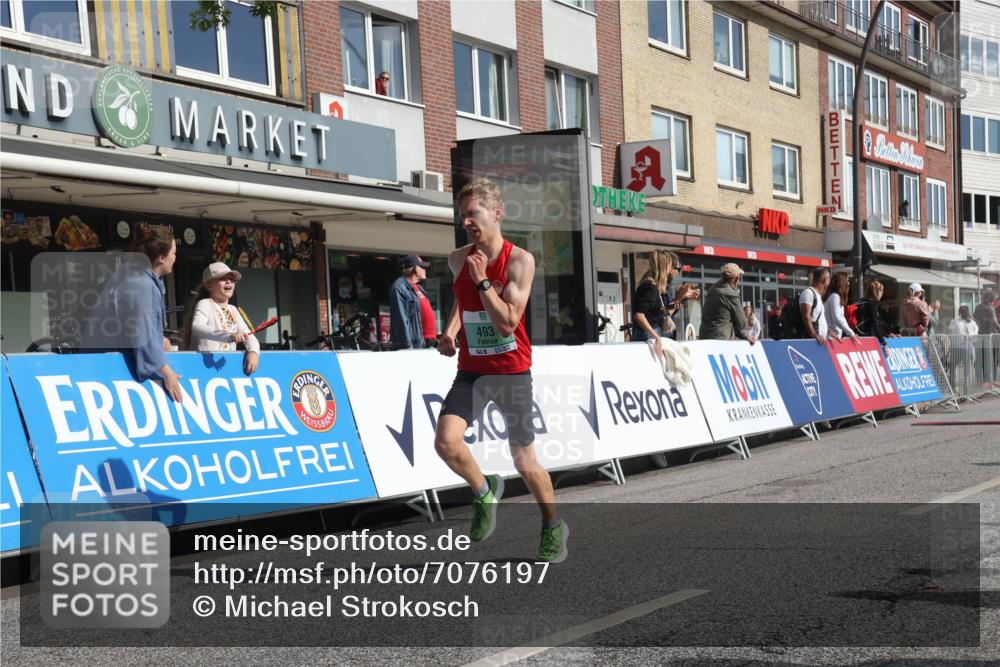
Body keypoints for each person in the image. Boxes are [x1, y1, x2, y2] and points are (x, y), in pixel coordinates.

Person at [434, 178, 566, 562]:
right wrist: (450, 332)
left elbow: (508, 321)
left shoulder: (520, 261)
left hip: (510, 371)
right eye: (463, 217)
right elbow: (465, 300)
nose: (467, 223)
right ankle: (483, 491)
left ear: (497, 212)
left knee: (524, 462)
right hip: (473, 369)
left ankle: (553, 525)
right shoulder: (458, 259)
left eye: (473, 214)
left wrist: (483, 280)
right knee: (446, 442)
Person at [81, 224, 183, 402]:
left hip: (99, 365)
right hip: (108, 372)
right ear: (161, 257)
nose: (175, 257)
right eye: (173, 253)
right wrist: (168, 374)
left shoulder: (131, 276)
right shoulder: (141, 284)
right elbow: (143, 335)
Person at [181, 262, 260, 375]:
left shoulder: (233, 310)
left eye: (232, 279)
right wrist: (228, 336)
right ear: (209, 285)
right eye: (223, 278)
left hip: (227, 370)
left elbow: (249, 336)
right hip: (201, 370)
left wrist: (253, 352)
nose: (229, 282)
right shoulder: (205, 303)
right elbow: (197, 327)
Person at [631, 249, 698, 357]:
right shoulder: (650, 287)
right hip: (647, 336)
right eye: (671, 266)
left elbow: (658, 314)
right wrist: (656, 337)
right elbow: (639, 315)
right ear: (665, 267)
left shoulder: (655, 287)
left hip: (652, 334)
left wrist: (681, 297)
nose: (671, 270)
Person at [699, 263, 755, 344]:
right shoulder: (731, 294)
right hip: (721, 341)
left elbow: (723, 320)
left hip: (704, 338)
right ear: (736, 279)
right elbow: (742, 323)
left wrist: (746, 336)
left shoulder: (712, 289)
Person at [389, 254, 437, 349]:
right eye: (422, 267)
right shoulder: (399, 288)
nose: (425, 270)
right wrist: (407, 346)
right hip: (416, 345)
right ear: (416, 269)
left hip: (428, 343)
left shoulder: (419, 288)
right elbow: (401, 319)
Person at [948, 305, 979, 392]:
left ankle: (965, 389)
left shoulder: (971, 323)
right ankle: (956, 387)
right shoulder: (955, 322)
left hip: (965, 347)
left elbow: (975, 335)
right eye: (963, 311)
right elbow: (950, 334)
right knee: (955, 367)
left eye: (965, 311)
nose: (965, 313)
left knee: (966, 368)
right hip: (958, 347)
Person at [799, 267, 833, 345]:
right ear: (825, 280)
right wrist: (814, 334)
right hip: (813, 342)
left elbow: (818, 318)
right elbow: (806, 317)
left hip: (820, 342)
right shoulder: (809, 293)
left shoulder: (818, 296)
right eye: (829, 280)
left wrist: (828, 331)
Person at [824, 272, 859, 341]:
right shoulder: (835, 296)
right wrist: (851, 333)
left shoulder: (835, 296)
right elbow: (836, 317)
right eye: (847, 280)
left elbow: (841, 317)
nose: (849, 283)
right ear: (842, 282)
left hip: (834, 337)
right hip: (830, 338)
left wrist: (850, 333)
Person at [856, 279, 892, 347]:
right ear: (877, 291)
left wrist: (887, 334)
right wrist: (884, 343)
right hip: (868, 338)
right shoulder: (872, 305)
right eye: (881, 291)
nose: (882, 294)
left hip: (859, 335)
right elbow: (875, 325)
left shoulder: (862, 301)